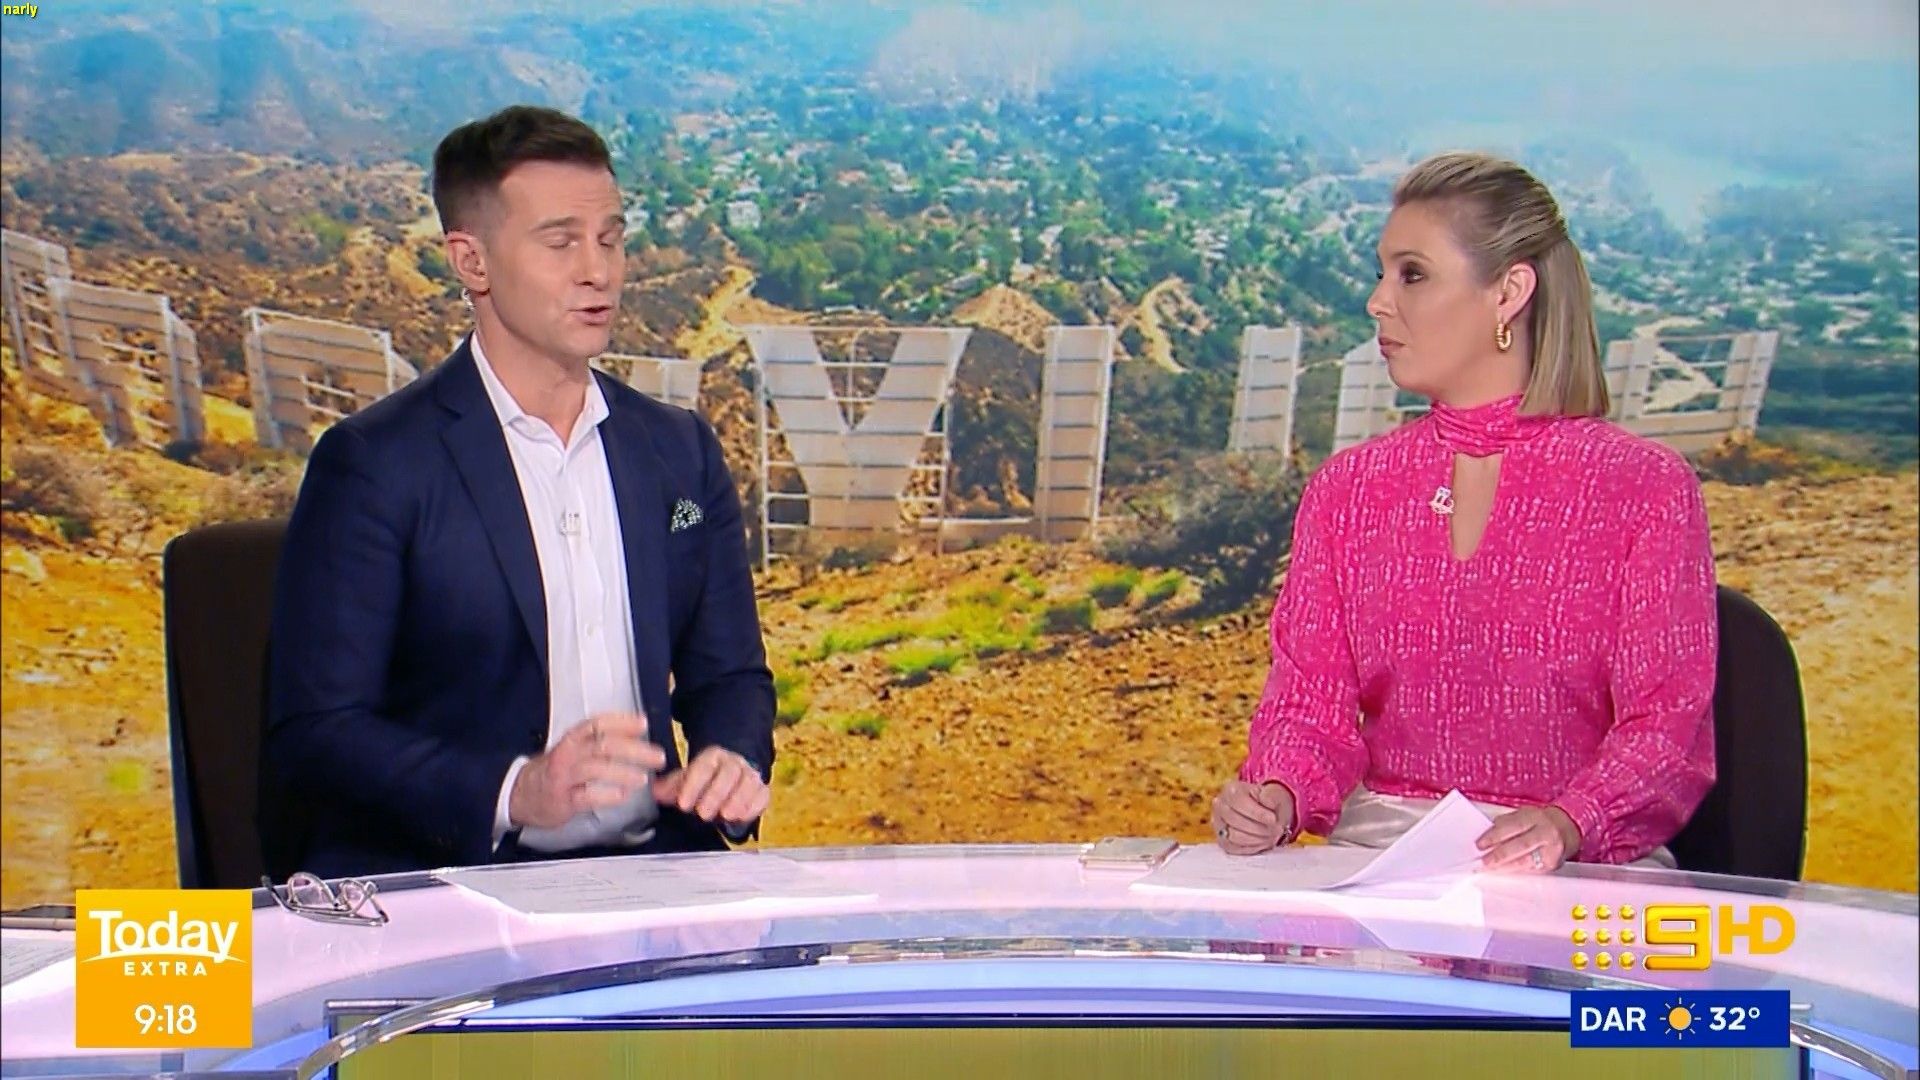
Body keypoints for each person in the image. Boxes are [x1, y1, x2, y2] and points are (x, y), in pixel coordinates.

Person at [263, 105, 775, 879]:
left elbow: (730, 677)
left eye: (610, 239)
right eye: (561, 242)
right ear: (472, 262)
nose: (598, 271)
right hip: (459, 888)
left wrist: (730, 757)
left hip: (656, 880)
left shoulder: (679, 452)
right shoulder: (374, 464)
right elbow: (316, 731)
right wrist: (514, 791)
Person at [1211, 151, 1716, 873]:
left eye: (1412, 274)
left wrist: (1572, 822)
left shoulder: (1644, 489)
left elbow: (1668, 728)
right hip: (1381, 867)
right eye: (1382, 273)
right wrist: (1277, 796)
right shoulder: (1348, 491)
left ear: (1509, 293)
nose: (1378, 302)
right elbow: (1308, 707)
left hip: (1578, 870)